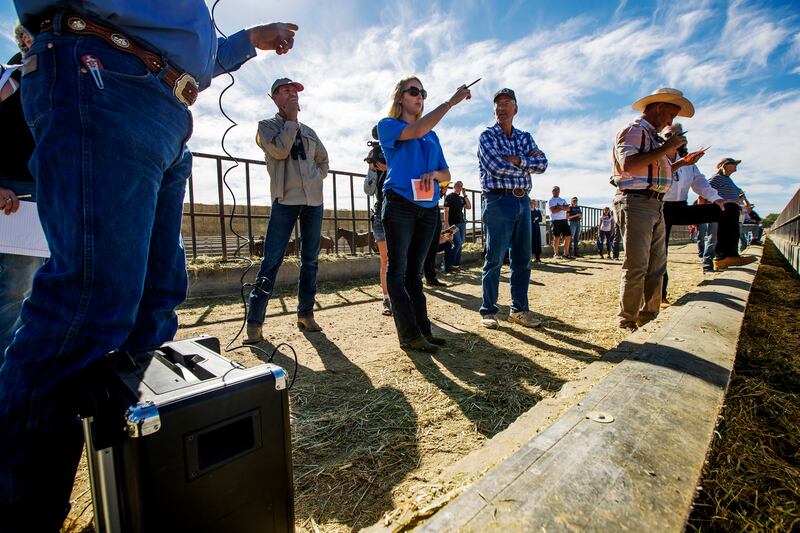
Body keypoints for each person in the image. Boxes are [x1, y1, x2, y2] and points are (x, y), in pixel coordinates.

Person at [0, 4, 299, 529]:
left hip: (163, 101)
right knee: (88, 305)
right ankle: (22, 512)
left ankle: (136, 491)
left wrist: (248, 39)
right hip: (103, 71)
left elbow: (195, 48)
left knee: (155, 301)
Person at [378, 76, 471, 352]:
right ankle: (408, 334)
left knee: (414, 273)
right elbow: (416, 130)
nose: (420, 97)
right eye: (414, 91)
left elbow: (447, 173)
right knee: (398, 270)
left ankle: (423, 331)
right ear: (400, 97)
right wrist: (451, 103)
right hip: (400, 205)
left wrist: (434, 175)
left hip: (427, 208)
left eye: (423, 92)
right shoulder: (388, 125)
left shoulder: (433, 135)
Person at [245, 78, 329, 342]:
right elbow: (280, 151)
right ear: (274, 98)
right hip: (285, 200)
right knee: (271, 260)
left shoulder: (311, 131)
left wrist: (317, 175)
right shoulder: (266, 127)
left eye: (294, 90)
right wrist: (291, 120)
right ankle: (254, 322)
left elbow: (323, 159)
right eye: (285, 90)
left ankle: (306, 314)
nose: (292, 93)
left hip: (313, 200)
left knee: (311, 259)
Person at [611, 88, 703, 332]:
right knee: (638, 264)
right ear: (659, 107)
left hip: (653, 202)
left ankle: (648, 317)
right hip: (637, 201)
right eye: (671, 114)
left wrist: (681, 163)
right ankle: (627, 319)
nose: (671, 121)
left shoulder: (652, 137)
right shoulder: (634, 131)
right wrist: (667, 148)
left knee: (656, 265)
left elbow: (651, 170)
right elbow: (628, 165)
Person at [477, 88, 548, 329]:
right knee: (494, 257)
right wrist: (526, 163)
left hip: (522, 201)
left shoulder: (525, 136)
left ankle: (519, 309)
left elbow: (543, 164)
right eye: (497, 103)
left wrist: (517, 160)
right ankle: (489, 310)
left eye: (506, 103)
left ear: (515, 108)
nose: (501, 107)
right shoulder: (487, 137)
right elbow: (495, 167)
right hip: (497, 201)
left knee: (522, 259)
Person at [659, 123, 739, 301]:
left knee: (729, 208)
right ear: (661, 138)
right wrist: (679, 163)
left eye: (678, 134)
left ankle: (724, 255)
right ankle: (660, 296)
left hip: (680, 207)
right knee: (660, 253)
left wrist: (716, 198)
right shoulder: (657, 157)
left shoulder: (690, 162)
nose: (674, 137)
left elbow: (700, 182)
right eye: (668, 135)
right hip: (660, 208)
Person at [0, 24, 43, 357]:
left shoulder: (59, 83)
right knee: (15, 290)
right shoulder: (8, 79)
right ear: (27, 40)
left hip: (54, 194)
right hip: (16, 198)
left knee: (48, 290)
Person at [704, 158, 757, 270]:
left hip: (730, 213)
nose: (736, 165)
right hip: (720, 212)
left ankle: (727, 259)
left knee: (729, 236)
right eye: (734, 163)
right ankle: (708, 265)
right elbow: (705, 193)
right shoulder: (716, 178)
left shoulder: (728, 179)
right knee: (714, 239)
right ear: (725, 165)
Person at [366, 125, 392, 315]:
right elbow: (368, 190)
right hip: (380, 214)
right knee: (385, 259)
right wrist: (371, 169)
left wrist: (389, 167)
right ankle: (386, 298)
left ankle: (401, 295)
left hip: (399, 213)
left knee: (400, 258)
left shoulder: (398, 151)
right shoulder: (374, 156)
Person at [443, 180, 471, 271]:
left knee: (460, 243)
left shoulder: (462, 198)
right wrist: (446, 224)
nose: (459, 187)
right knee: (457, 243)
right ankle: (450, 264)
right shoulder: (449, 197)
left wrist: (465, 194)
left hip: (462, 223)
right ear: (454, 186)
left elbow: (469, 206)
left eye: (461, 186)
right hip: (453, 224)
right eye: (458, 185)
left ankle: (456, 265)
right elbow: (446, 211)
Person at [423, 188, 448, 287]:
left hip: (433, 207)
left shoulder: (436, 175)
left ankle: (430, 278)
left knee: (433, 247)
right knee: (417, 247)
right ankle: (413, 279)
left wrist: (442, 192)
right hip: (417, 205)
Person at [548, 186, 570, 258]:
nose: (556, 191)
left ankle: (566, 254)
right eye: (554, 190)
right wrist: (562, 207)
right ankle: (556, 254)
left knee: (567, 236)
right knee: (556, 237)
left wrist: (559, 207)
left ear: (559, 191)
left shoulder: (562, 199)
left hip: (564, 220)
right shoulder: (551, 200)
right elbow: (553, 211)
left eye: (557, 190)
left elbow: (568, 208)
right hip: (555, 220)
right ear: (552, 191)